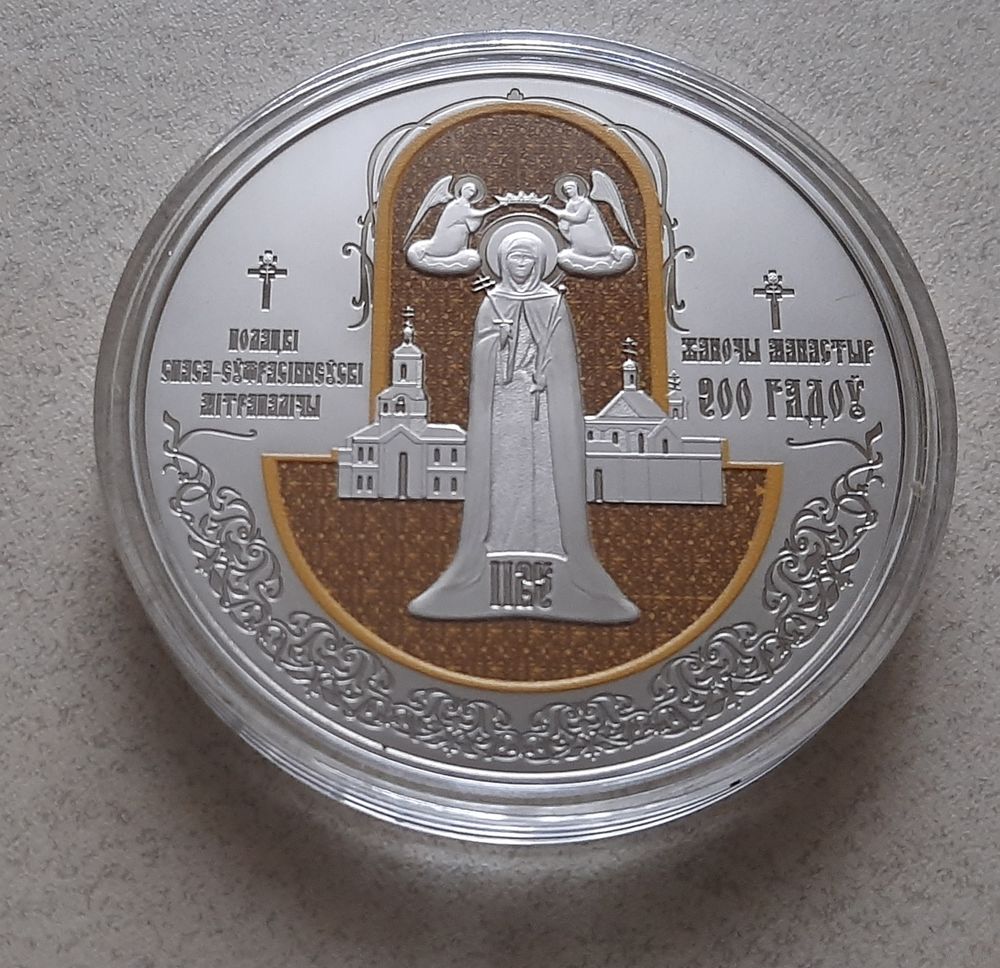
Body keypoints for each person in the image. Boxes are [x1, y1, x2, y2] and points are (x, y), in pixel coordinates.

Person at [409, 228, 638, 623]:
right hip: (502, 410)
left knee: (545, 475)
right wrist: (496, 341)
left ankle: (553, 549)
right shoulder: (491, 303)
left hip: (544, 410)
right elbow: (482, 358)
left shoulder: (553, 303)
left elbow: (562, 362)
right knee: (505, 474)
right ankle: (497, 547)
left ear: (539, 263)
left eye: (528, 258)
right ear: (501, 262)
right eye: (514, 258)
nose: (521, 265)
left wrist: (547, 374)